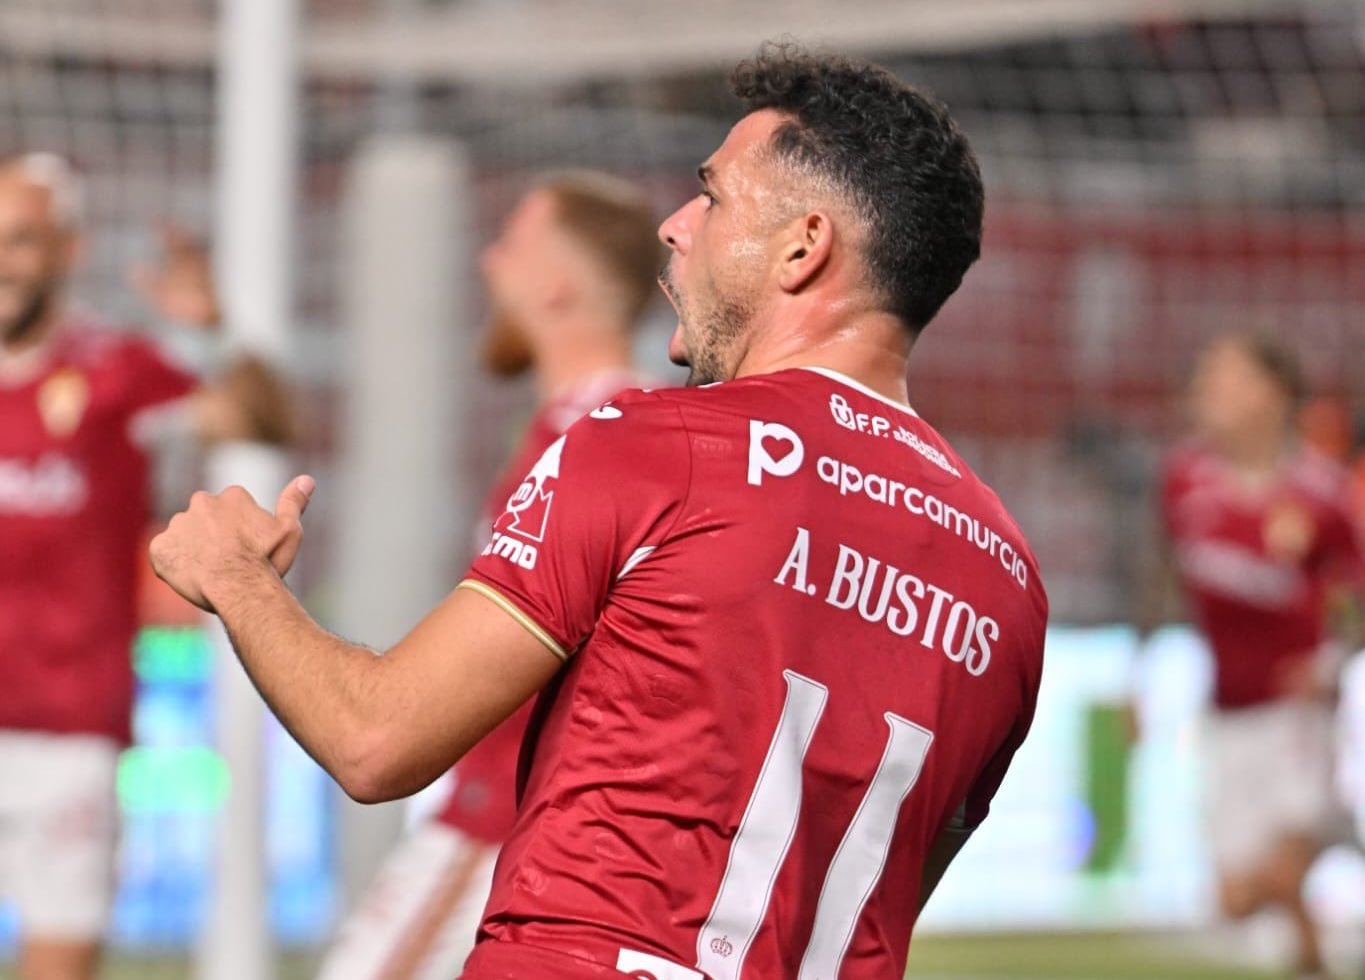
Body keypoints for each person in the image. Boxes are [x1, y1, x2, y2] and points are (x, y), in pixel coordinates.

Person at [148, 43, 1048, 980]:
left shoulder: (659, 447)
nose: (674, 225)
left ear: (801, 246)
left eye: (712, 197)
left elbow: (374, 740)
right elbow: (887, 887)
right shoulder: (1010, 580)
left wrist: (234, 576)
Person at [317, 171, 662, 980]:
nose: (487, 262)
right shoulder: (614, 425)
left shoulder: (593, 437)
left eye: (510, 243)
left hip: (503, 823)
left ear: (557, 284)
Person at [0, 152, 290, 980]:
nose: (2, 259)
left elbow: (265, 418)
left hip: (68, 737)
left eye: (21, 239)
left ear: (68, 249)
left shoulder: (113, 370)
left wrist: (214, 331)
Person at [1158, 334, 1365, 980]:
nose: (1207, 391)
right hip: (1225, 715)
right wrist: (1140, 675)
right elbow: (1161, 575)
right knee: (1235, 902)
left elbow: (1356, 594)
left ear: (1273, 395)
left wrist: (1328, 663)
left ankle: (1325, 830)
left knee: (1280, 866)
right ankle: (1316, 947)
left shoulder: (1322, 491)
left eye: (1227, 378)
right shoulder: (1184, 480)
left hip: (1295, 714)